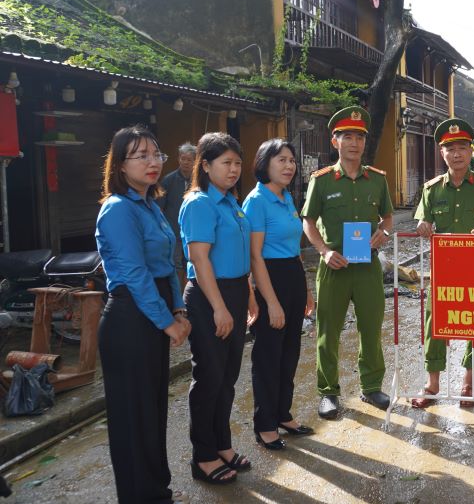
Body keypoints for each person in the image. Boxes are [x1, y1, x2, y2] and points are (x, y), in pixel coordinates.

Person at [95, 126, 191, 504]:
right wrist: (168, 322)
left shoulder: (150, 204)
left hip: (155, 315)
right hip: (129, 321)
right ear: (120, 165)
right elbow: (134, 274)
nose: (153, 162)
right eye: (141, 155)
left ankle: (156, 491)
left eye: (156, 154)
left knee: (152, 412)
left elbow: (167, 264)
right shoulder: (117, 209)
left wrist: (178, 309)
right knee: (133, 420)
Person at [301, 106, 394, 419]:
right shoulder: (322, 180)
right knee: (328, 332)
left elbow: (389, 216)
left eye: (359, 137)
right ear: (335, 141)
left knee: (371, 328)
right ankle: (328, 392)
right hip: (333, 267)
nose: (354, 143)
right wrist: (325, 251)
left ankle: (371, 387)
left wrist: (383, 232)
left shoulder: (377, 180)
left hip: (367, 266)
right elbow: (308, 222)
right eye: (348, 137)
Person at [410, 118, 474, 408]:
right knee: (434, 321)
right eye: (450, 149)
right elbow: (422, 220)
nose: (457, 154)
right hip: (444, 268)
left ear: (471, 151)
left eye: (462, 147)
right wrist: (423, 225)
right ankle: (432, 383)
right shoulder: (432, 188)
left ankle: (468, 382)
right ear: (442, 153)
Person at [180, 132, 254, 485]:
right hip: (211, 296)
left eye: (237, 163)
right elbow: (200, 259)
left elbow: (240, 257)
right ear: (205, 165)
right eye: (226, 163)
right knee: (209, 378)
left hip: (236, 292)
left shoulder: (230, 203)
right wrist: (220, 308)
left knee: (227, 377)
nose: (234, 169)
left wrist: (249, 294)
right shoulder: (199, 204)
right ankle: (203, 456)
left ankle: (222, 445)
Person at [243, 139, 315, 450]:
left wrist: (307, 289)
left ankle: (283, 414)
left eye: (291, 160)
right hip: (268, 278)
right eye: (281, 160)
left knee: (290, 352)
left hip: (292, 276)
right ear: (264, 163)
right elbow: (255, 256)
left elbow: (295, 248)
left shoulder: (286, 198)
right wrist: (269, 301)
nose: (289, 166)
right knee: (268, 356)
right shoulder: (256, 201)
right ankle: (265, 425)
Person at [156, 142, 196, 278]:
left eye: (189, 160)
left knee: (192, 262)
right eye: (182, 159)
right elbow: (159, 208)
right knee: (176, 265)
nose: (185, 162)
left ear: (195, 161)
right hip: (173, 231)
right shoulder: (168, 180)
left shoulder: (199, 181)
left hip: (193, 231)